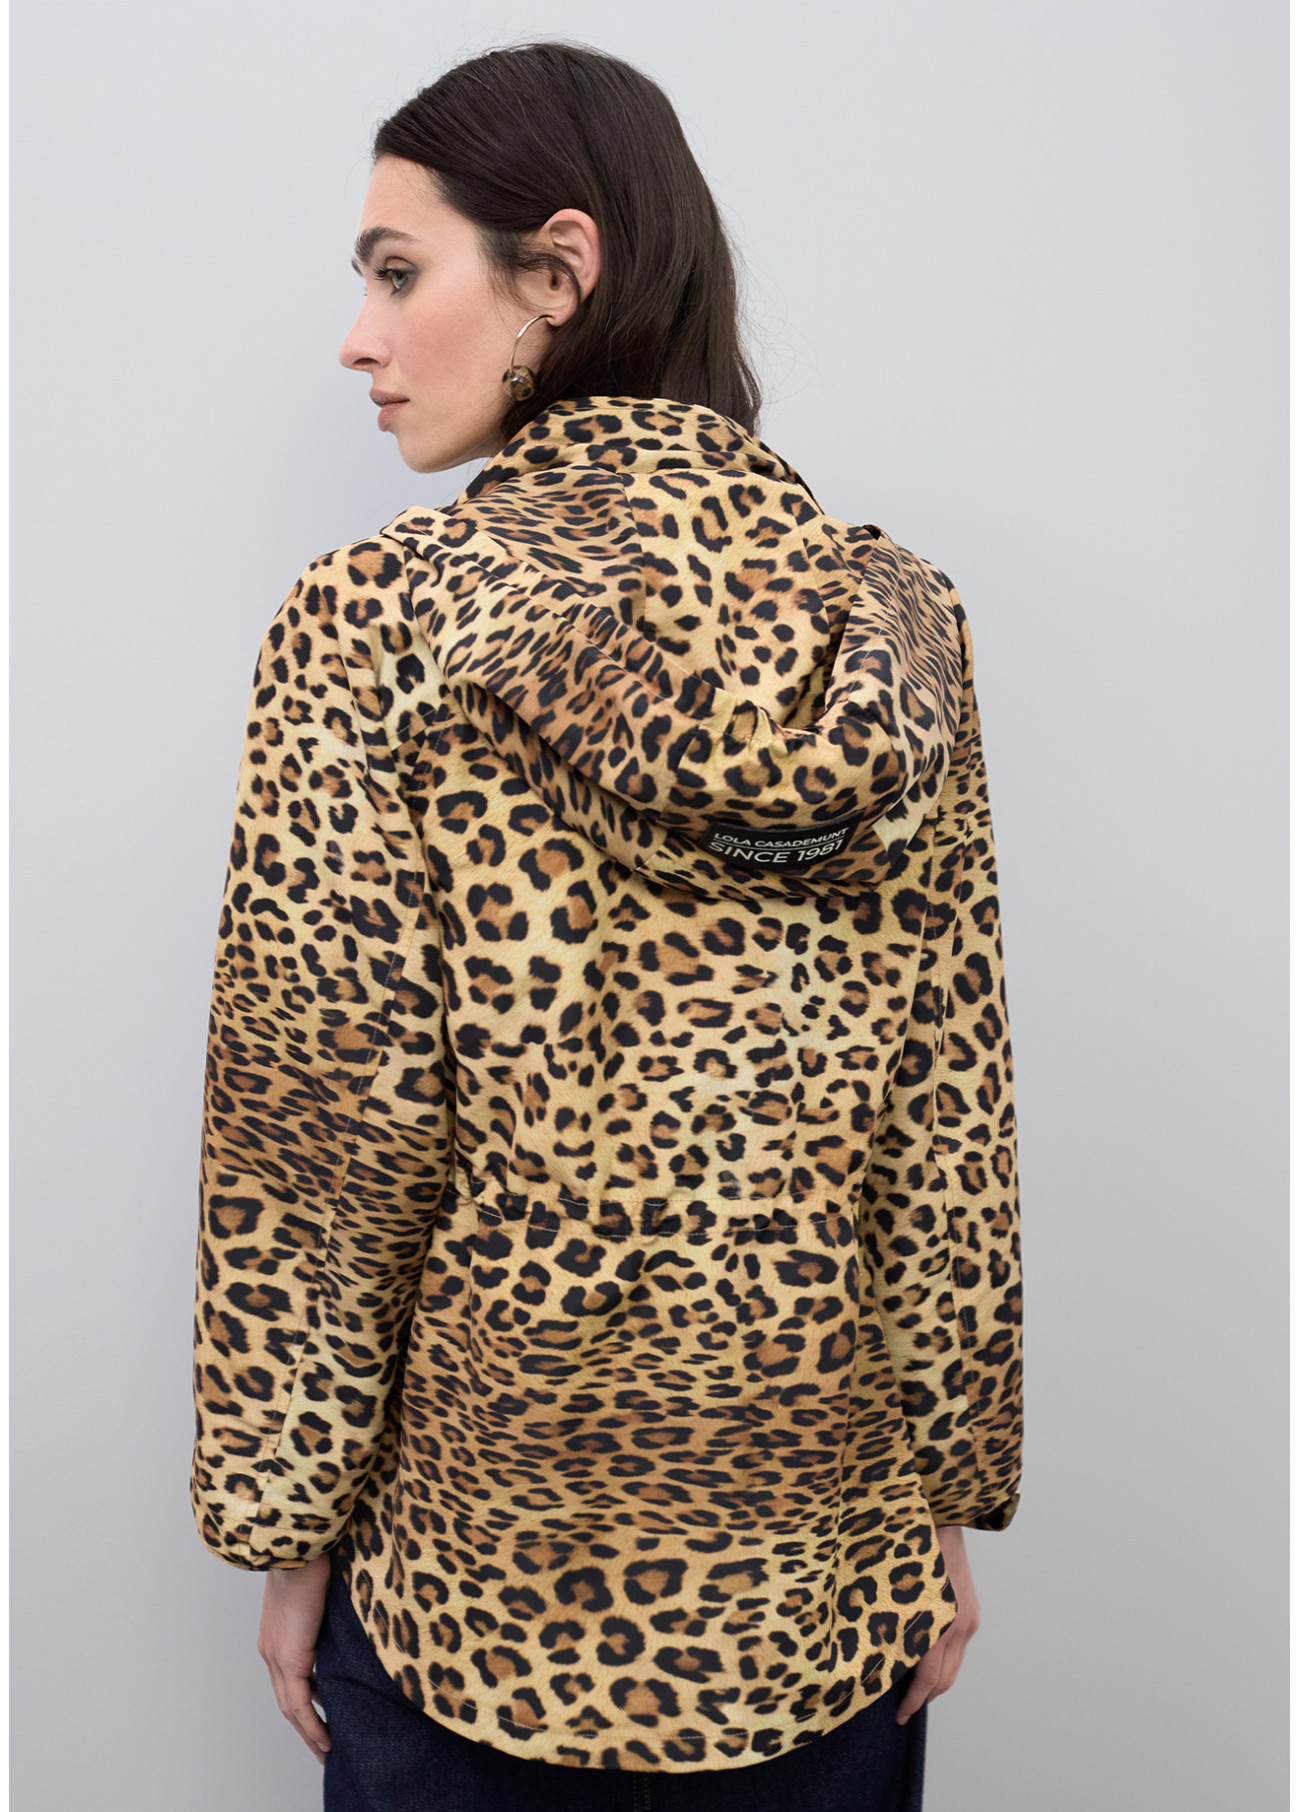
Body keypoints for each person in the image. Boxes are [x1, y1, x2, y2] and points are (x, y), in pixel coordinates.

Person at [189, 40, 1023, 1812]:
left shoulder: (374, 623)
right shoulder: (901, 630)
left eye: (396, 272)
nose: (357, 338)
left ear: (560, 270)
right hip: (824, 1586)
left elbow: (323, 1136)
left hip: (475, 1598)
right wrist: (938, 1504)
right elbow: (947, 1126)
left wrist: (289, 1529)